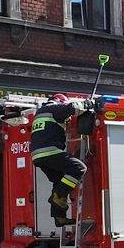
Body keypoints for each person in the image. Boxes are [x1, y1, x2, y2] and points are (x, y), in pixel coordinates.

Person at [30, 93, 92, 227]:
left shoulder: (40, 112)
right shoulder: (55, 109)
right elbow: (73, 108)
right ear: (60, 101)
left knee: (59, 180)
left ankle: (59, 217)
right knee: (79, 168)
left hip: (37, 156)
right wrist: (88, 104)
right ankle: (59, 197)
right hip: (50, 151)